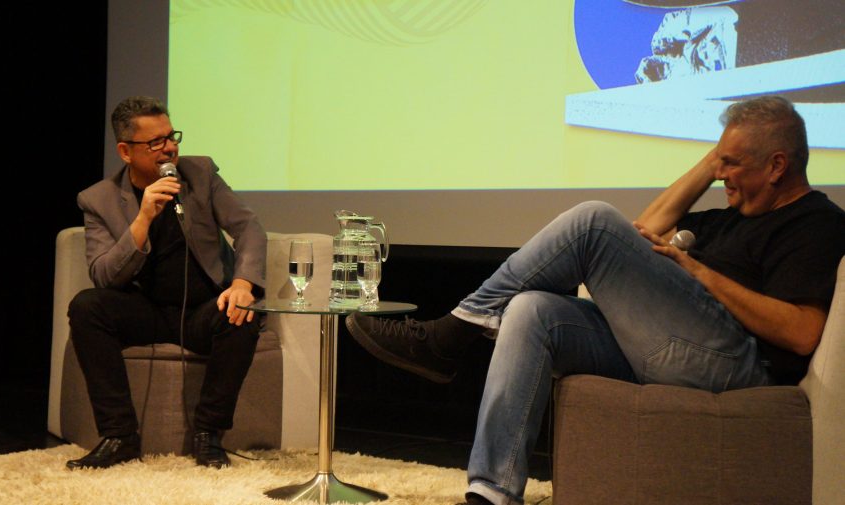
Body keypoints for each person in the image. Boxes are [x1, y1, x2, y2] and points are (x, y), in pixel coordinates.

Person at [346, 96, 845, 504]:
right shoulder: (730, 215)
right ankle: (491, 494)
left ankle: (452, 333)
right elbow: (647, 228)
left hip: (737, 364)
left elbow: (803, 332)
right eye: (719, 163)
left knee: (593, 222)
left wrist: (700, 273)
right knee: (531, 309)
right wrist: (712, 160)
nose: (722, 175)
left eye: (731, 164)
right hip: (677, 349)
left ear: (777, 165)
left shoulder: (814, 222)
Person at [65, 96, 267, 470]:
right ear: (125, 152)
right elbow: (104, 274)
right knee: (87, 306)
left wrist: (242, 283)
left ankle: (208, 434)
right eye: (155, 142)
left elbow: (248, 227)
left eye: (171, 136)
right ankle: (119, 436)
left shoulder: (200, 174)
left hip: (204, 308)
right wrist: (142, 219)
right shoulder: (98, 199)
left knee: (242, 314)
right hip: (147, 311)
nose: (170, 148)